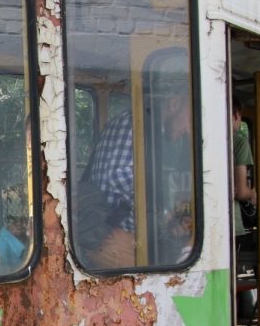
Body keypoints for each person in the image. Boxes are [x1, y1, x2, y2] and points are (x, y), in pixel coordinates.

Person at [80, 83, 192, 268]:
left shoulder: (145, 128)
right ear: (174, 104)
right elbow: (119, 176)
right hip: (113, 239)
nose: (189, 130)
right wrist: (164, 212)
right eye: (190, 119)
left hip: (121, 236)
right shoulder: (137, 123)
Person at [231, 96, 256, 248]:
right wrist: (252, 194)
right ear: (235, 115)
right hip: (231, 223)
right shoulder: (239, 142)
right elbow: (241, 192)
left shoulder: (200, 139)